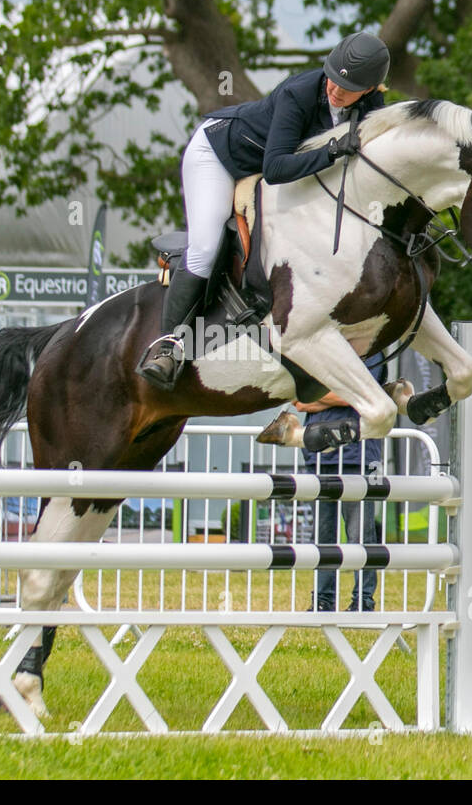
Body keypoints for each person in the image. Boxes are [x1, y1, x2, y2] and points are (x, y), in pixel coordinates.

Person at [137, 32, 391, 391]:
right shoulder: (299, 93)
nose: (335, 88)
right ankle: (168, 344)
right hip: (220, 156)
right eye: (334, 76)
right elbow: (276, 168)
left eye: (348, 86)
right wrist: (332, 151)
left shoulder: (372, 107)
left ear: (369, 89)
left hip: (266, 172)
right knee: (207, 247)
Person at [299, 354, 387, 612]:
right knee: (322, 535)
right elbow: (299, 400)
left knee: (361, 534)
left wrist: (320, 396)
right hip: (319, 454)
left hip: (359, 456)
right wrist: (346, 394)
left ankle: (363, 600)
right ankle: (323, 600)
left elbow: (367, 397)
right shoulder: (315, 347)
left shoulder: (373, 353)